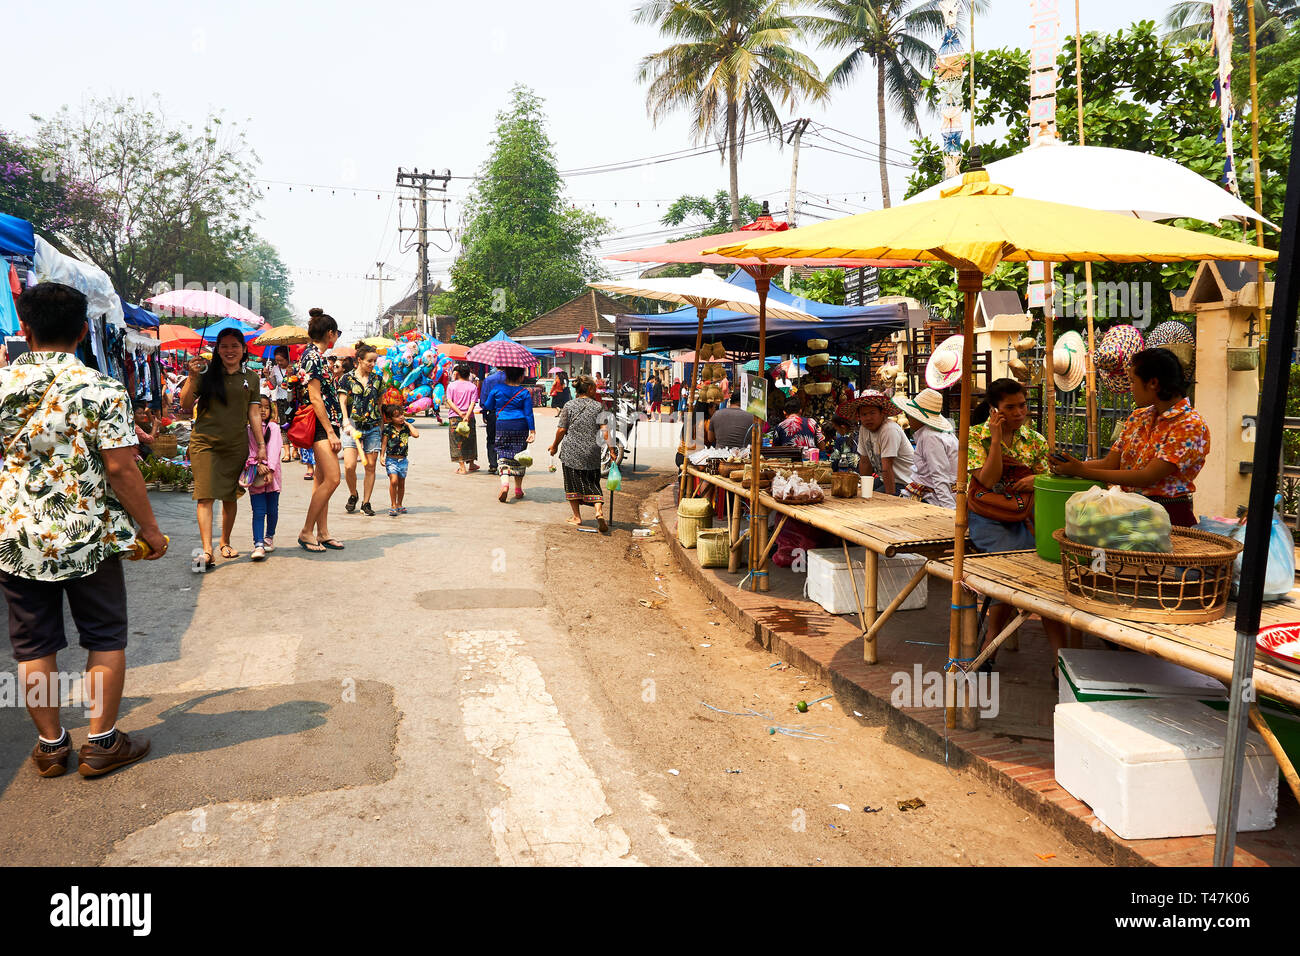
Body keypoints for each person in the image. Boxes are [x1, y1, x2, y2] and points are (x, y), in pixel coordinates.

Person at [2, 282, 164, 778]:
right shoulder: (101, 388)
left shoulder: (3, 386)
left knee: (33, 646)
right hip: (89, 536)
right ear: (81, 332)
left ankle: (51, 747)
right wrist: (151, 530)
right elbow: (120, 467)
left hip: (18, 539)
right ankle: (101, 743)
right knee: (105, 636)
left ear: (24, 329)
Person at [967, 377, 1072, 669]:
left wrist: (1036, 479)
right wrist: (997, 439)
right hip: (988, 520)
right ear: (994, 410)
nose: (1018, 412)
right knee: (1017, 577)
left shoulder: (1035, 440)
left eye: (1022, 405)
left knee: (1044, 581)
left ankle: (1058, 662)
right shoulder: (976, 436)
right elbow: (987, 481)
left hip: (1026, 518)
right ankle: (993, 646)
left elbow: (1051, 480)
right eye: (1010, 407)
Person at [1050, 348, 1208, 527]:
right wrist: (1068, 466)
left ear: (1153, 383)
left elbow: (1146, 477)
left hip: (1168, 518)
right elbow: (1110, 464)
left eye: (1133, 381)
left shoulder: (1189, 425)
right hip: (1127, 512)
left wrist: (1080, 470)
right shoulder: (1139, 417)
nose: (1130, 388)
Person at [180, 327, 265, 568]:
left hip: (236, 444)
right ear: (217, 350)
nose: (229, 350)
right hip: (204, 443)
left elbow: (254, 412)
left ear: (243, 349)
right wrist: (191, 377)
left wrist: (260, 445)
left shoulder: (251, 377)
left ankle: (224, 542)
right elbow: (186, 404)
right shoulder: (205, 373)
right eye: (224, 346)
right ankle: (207, 550)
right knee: (205, 495)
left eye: (234, 346)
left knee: (230, 495)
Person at [295, 308, 344, 553]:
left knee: (323, 480)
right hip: (320, 427)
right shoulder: (313, 357)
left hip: (326, 425)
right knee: (334, 478)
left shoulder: (316, 356)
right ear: (330, 333)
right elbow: (315, 398)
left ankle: (322, 532)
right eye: (338, 333)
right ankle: (306, 531)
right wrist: (331, 432)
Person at [548, 374, 610, 533]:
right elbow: (604, 430)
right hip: (592, 452)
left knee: (572, 483)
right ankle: (598, 511)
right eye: (594, 388)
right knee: (593, 483)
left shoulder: (569, 405)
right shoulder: (598, 406)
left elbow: (561, 430)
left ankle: (577, 517)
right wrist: (611, 449)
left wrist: (554, 446)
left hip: (571, 452)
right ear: (589, 388)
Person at [896, 387, 959, 508]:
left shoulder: (930, 437)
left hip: (933, 498)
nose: (908, 418)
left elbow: (939, 475)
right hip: (941, 494)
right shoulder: (936, 434)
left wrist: (950, 509)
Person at [339, 342, 382, 517]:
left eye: (374, 362)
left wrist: (382, 428)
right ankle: (353, 494)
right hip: (352, 426)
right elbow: (342, 401)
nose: (372, 365)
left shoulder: (377, 380)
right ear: (359, 360)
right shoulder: (347, 378)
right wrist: (345, 421)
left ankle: (366, 502)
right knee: (349, 466)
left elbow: (379, 405)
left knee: (370, 466)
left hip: (372, 426)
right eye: (369, 361)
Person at [482, 365, 536, 503]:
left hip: (503, 424)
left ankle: (505, 484)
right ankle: (518, 489)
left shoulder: (497, 389)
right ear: (521, 376)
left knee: (503, 453)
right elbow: (529, 414)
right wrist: (532, 431)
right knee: (519, 455)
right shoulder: (524, 392)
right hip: (521, 425)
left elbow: (487, 406)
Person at [856, 391, 914, 495]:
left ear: (882, 413)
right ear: (859, 416)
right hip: (885, 478)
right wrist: (864, 490)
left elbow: (887, 467)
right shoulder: (864, 429)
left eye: (872, 413)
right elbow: (865, 462)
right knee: (859, 495)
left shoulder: (889, 429)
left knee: (873, 500)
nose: (868, 418)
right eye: (864, 414)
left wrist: (889, 500)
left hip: (905, 483)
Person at [247, 395, 282, 561]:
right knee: (258, 511)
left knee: (272, 509)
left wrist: (270, 469)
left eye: (266, 407)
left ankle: (269, 536)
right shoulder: (248, 429)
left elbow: (275, 450)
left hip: (272, 477)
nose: (263, 410)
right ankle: (258, 543)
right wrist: (256, 464)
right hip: (256, 474)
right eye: (259, 407)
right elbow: (248, 451)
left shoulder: (273, 428)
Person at [380, 402, 419, 515]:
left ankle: (399, 504)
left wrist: (408, 424)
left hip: (403, 461)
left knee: (401, 483)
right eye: (397, 416)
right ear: (390, 418)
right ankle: (393, 505)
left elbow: (416, 435)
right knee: (394, 481)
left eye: (402, 414)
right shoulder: (388, 429)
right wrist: (382, 456)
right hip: (391, 460)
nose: (401, 417)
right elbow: (384, 443)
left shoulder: (406, 429)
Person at [446, 363, 481, 474]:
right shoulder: (473, 386)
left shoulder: (451, 385)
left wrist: (459, 413)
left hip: (454, 417)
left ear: (458, 374)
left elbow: (449, 401)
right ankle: (471, 464)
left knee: (456, 441)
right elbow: (472, 403)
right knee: (470, 440)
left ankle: (462, 467)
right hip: (469, 417)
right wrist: (466, 416)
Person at [481, 364, 508, 472]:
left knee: (491, 439)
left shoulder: (488, 380)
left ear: (496, 366)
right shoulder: (511, 379)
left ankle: (493, 464)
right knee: (505, 439)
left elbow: (484, 398)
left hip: (492, 413)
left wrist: (484, 414)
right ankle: (504, 462)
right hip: (508, 414)